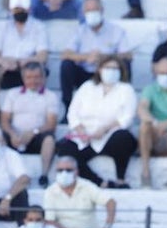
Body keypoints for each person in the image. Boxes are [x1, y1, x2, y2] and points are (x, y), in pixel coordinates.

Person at [57, 57, 139, 189]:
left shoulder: (126, 89)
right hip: (84, 137)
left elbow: (127, 117)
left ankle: (120, 179)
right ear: (99, 70)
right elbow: (72, 112)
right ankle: (100, 182)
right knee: (65, 150)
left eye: (115, 69)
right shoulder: (87, 87)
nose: (111, 72)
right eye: (107, 68)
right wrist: (79, 129)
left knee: (124, 138)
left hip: (110, 135)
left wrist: (104, 129)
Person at [59, 0, 134, 109]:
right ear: (83, 13)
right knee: (66, 65)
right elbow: (65, 54)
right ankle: (68, 106)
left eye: (95, 10)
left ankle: (124, 105)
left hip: (108, 72)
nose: (92, 13)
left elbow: (128, 54)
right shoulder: (79, 31)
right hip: (84, 73)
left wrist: (105, 58)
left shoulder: (116, 30)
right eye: (88, 10)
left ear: (102, 10)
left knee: (125, 64)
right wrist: (86, 57)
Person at [0, 61, 60, 187]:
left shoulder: (50, 96)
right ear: (23, 78)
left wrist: (33, 132)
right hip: (15, 135)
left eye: (37, 77)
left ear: (43, 78)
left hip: (38, 136)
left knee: (49, 139)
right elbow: (4, 120)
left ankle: (44, 175)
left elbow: (51, 124)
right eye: (29, 77)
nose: (33, 81)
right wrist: (12, 134)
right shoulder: (12, 94)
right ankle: (3, 172)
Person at [43, 157, 116, 228]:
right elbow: (49, 220)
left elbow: (110, 202)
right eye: (60, 170)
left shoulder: (87, 186)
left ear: (76, 171)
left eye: (68, 170)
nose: (64, 173)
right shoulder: (50, 192)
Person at [0, 0, 49, 90]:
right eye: (16, 10)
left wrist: (23, 61)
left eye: (22, 10)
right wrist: (4, 62)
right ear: (11, 10)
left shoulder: (38, 27)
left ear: (29, 9)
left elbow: (43, 56)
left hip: (27, 65)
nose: (19, 12)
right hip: (6, 67)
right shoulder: (3, 27)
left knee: (38, 69)